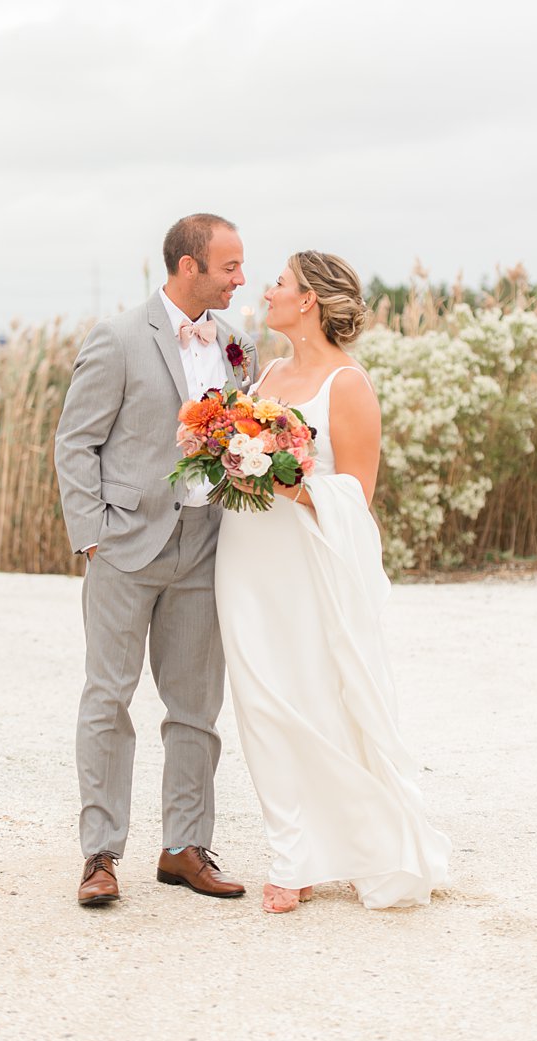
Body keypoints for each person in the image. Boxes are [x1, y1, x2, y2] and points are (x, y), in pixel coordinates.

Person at [214, 251, 451, 913]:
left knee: (314, 700)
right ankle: (292, 857)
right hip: (244, 550)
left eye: (280, 283)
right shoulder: (268, 371)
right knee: (259, 702)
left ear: (310, 299)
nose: (269, 290)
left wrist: (291, 482)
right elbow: (243, 454)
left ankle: (356, 840)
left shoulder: (347, 384)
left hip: (305, 560)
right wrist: (227, 456)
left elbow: (358, 494)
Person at [54, 213, 258, 907]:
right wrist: (93, 536)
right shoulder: (115, 339)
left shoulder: (239, 347)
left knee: (197, 704)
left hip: (205, 547)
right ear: (187, 266)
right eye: (229, 267)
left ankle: (184, 846)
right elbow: (74, 443)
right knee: (107, 698)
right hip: (124, 546)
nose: (241, 278)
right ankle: (101, 856)